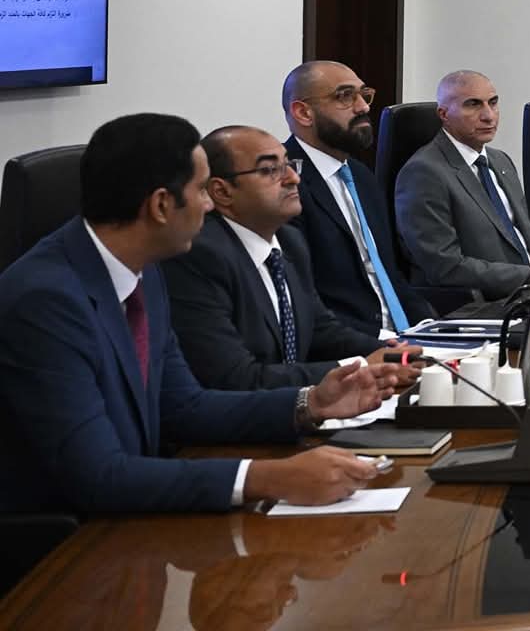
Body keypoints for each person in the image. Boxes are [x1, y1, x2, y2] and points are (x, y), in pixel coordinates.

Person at [0, 113, 389, 514]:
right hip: (63, 539)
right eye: (202, 189)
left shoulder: (144, 271)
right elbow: (99, 477)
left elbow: (184, 407)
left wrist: (311, 403)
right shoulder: (45, 302)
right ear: (161, 205)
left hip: (137, 515)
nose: (209, 204)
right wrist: (268, 478)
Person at [161, 126, 420, 392]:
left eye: (289, 165)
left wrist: (390, 351)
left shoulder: (290, 241)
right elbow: (235, 378)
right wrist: (360, 368)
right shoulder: (199, 256)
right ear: (222, 191)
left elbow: (319, 329)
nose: (293, 178)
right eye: (270, 170)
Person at [395, 70, 530, 300]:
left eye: (493, 103)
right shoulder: (424, 172)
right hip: (479, 305)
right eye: (473, 104)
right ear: (444, 114)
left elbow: (525, 235)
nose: (489, 116)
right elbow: (445, 267)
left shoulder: (500, 160)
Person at [281, 60, 434, 338]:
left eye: (364, 95)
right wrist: (384, 341)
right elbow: (301, 299)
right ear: (303, 113)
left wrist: (434, 328)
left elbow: (388, 274)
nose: (363, 107)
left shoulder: (362, 177)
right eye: (345, 96)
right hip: (350, 344)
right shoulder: (284, 181)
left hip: (403, 338)